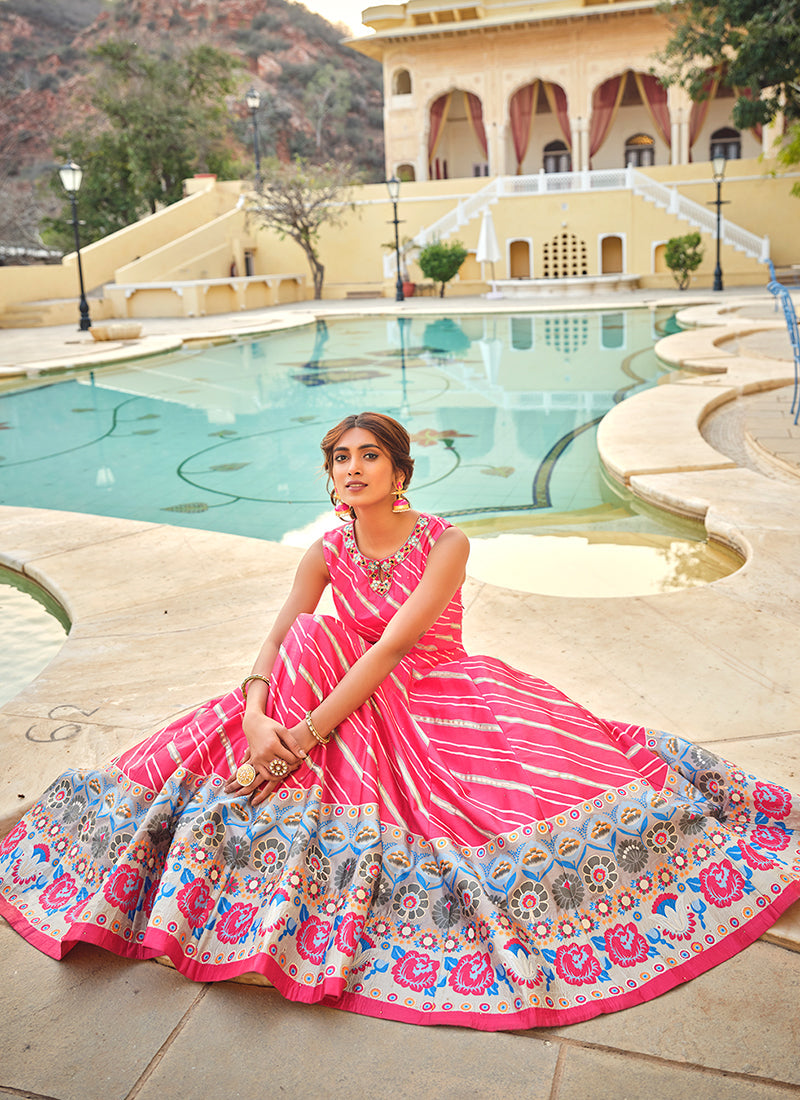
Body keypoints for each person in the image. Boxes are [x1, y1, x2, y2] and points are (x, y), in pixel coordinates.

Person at [1, 411, 798, 1032]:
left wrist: (295, 742)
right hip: (323, 692)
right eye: (340, 459)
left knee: (354, 668)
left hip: (432, 694)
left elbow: (388, 650)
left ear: (400, 471)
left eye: (368, 456)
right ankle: (258, 826)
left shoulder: (444, 543)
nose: (351, 469)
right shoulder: (326, 549)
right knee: (308, 640)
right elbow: (279, 635)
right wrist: (250, 717)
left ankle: (270, 810)